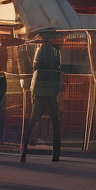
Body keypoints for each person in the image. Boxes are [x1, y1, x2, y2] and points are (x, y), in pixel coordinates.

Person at [19, 30, 63, 162]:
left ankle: (23, 152)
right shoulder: (56, 53)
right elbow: (58, 71)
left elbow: (35, 68)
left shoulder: (38, 51)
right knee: (56, 124)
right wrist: (56, 89)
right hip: (51, 92)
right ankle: (56, 154)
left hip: (39, 91)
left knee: (31, 123)